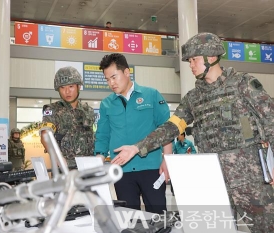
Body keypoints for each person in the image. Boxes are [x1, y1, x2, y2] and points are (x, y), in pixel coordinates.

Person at [112, 32, 274, 232]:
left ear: (211, 57)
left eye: (194, 60)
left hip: (251, 180)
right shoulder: (193, 98)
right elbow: (171, 127)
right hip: (214, 181)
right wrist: (137, 147)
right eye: (189, 61)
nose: (190, 65)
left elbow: (271, 121)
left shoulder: (243, 84)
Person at [95, 53, 172, 214]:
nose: (111, 83)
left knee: (158, 218)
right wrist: (98, 161)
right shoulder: (106, 104)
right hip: (121, 171)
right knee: (129, 219)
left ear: (127, 72)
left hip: (152, 168)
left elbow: (166, 129)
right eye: (107, 79)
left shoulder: (151, 95)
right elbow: (103, 135)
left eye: (114, 77)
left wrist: (168, 160)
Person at [40, 66, 95, 168]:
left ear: (78, 87)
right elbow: (45, 135)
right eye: (62, 87)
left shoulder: (88, 111)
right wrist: (57, 157)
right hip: (64, 169)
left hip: (89, 168)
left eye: (71, 86)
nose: (67, 91)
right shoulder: (52, 110)